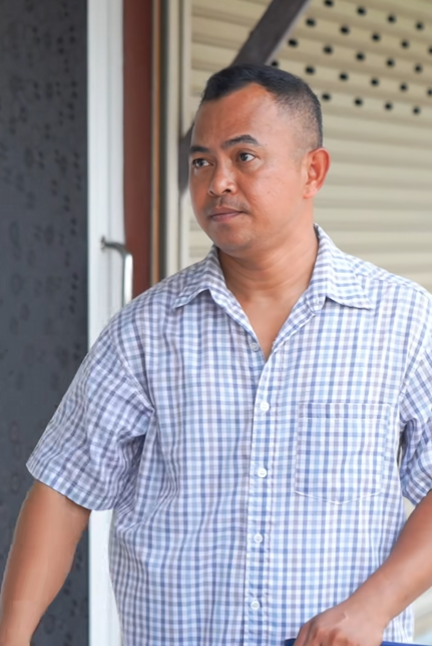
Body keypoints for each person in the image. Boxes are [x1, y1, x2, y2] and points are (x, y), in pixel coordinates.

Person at [1, 63, 432, 646]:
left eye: (244, 157)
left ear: (313, 171)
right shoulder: (145, 330)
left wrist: (373, 607)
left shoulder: (403, 321)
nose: (217, 182)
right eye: (202, 162)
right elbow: (62, 490)